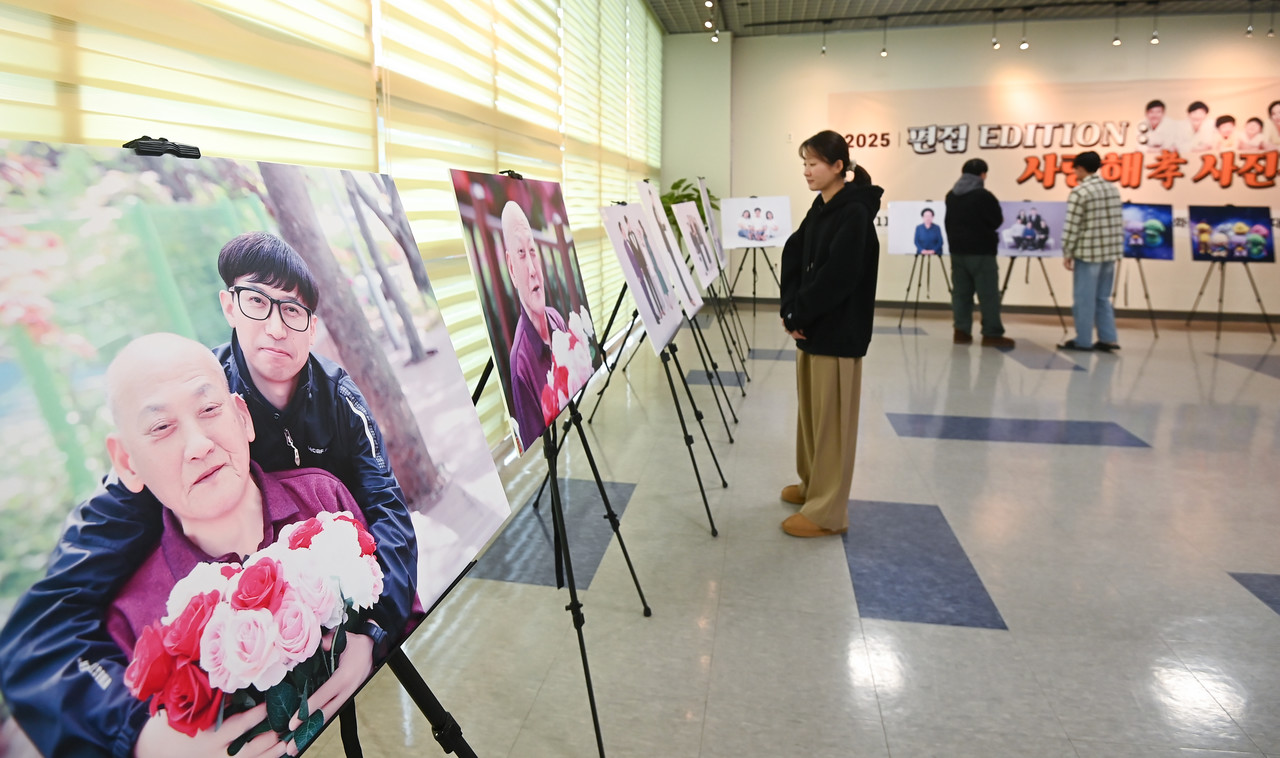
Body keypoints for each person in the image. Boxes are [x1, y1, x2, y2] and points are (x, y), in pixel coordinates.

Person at [0, 231, 419, 758]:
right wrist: (140, 737)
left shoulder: (338, 404)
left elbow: (386, 508)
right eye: (257, 301)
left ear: (313, 326)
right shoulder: (191, 410)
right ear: (229, 305)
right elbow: (44, 633)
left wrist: (373, 630)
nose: (275, 325)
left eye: (294, 310)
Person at [103, 333, 377, 752]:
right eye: (161, 427)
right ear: (126, 462)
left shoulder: (323, 500)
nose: (198, 446)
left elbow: (407, 615)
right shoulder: (135, 621)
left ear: (242, 417)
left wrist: (374, 642)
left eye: (209, 409)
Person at [778, 129, 882, 538]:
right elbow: (794, 251)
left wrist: (801, 311)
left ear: (839, 167)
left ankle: (827, 512)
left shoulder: (853, 212)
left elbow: (838, 278)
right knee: (812, 417)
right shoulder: (822, 206)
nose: (807, 171)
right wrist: (792, 311)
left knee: (832, 424)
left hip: (837, 333)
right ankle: (811, 486)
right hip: (812, 329)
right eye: (804, 164)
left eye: (814, 164)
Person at [503, 201, 569, 449]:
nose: (532, 270)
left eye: (532, 251)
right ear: (511, 269)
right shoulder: (521, 364)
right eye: (521, 255)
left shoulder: (556, 318)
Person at [944, 158, 1015, 348]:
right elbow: (996, 220)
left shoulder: (951, 195)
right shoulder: (984, 196)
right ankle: (991, 333)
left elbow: (948, 222)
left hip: (957, 252)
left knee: (960, 294)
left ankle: (961, 332)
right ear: (982, 175)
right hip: (982, 253)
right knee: (988, 294)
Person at [1059, 150, 1124, 352]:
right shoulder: (1112, 189)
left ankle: (1084, 341)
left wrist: (1067, 252)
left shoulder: (1080, 192)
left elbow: (1072, 225)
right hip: (1110, 252)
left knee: (1084, 299)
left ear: (1080, 168)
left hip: (1088, 253)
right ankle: (1108, 338)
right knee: (1103, 297)